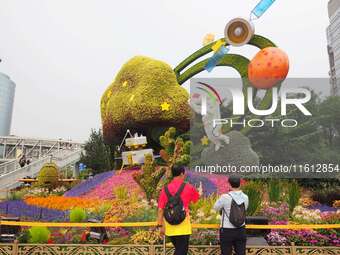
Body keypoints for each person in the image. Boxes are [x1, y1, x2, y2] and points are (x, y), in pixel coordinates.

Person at [157, 165, 200, 255]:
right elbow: (196, 200)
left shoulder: (165, 189)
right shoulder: (189, 187)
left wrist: (160, 226)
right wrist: (199, 192)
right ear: (181, 173)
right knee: (182, 251)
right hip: (183, 224)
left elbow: (160, 209)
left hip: (170, 224)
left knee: (179, 250)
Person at [213, 175, 249, 255]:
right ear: (240, 184)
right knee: (241, 253)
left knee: (226, 253)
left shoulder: (224, 197)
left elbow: (215, 208)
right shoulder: (245, 197)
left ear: (229, 184)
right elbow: (244, 209)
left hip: (226, 230)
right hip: (241, 229)